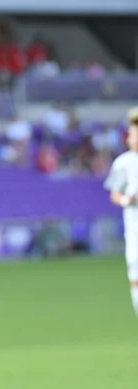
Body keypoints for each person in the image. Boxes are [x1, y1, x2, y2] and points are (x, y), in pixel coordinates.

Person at [104, 107, 138, 318]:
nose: (131, 138)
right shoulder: (123, 163)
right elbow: (114, 194)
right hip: (135, 232)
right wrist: (127, 199)